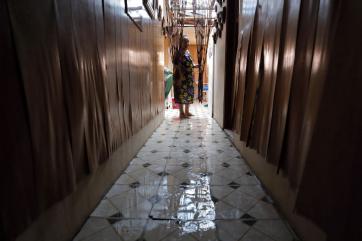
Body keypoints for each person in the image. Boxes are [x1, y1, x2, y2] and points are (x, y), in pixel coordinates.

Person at [172, 36, 198, 118]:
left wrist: (195, 65)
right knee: (181, 94)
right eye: (185, 42)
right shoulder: (178, 53)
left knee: (189, 93)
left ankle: (187, 111)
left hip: (188, 78)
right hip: (180, 77)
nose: (187, 43)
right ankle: (181, 113)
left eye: (188, 42)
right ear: (181, 43)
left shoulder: (187, 52)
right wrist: (181, 76)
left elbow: (189, 63)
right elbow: (176, 65)